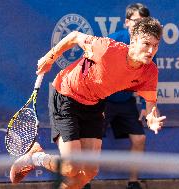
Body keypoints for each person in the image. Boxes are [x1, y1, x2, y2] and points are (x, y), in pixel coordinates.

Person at [9, 17, 166, 189]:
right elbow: (75, 36)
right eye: (146, 44)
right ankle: (35, 157)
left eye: (156, 45)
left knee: (89, 172)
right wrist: (50, 57)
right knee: (71, 167)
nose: (151, 50)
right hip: (66, 96)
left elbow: (151, 103)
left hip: (94, 104)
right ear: (133, 41)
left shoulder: (149, 71)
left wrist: (151, 117)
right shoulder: (106, 49)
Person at [103, 3, 156, 189]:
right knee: (90, 142)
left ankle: (133, 183)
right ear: (126, 22)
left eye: (145, 22)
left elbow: (147, 80)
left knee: (139, 139)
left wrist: (145, 107)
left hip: (126, 101)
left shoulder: (149, 47)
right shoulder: (113, 41)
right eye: (136, 22)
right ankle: (84, 182)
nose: (141, 26)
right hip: (104, 101)